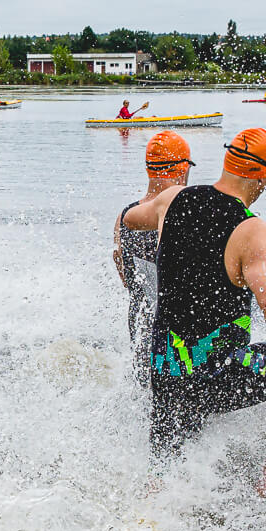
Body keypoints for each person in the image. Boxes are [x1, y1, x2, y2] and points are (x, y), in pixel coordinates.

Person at [121, 127, 266, 497]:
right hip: (212, 377)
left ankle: (153, 490)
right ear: (263, 176)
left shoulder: (173, 200)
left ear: (227, 161)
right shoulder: (254, 231)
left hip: (164, 370)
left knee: (160, 479)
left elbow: (130, 219)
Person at [114, 131, 194, 385]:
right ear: (182, 169)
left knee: (144, 390)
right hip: (175, 328)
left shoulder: (126, 215)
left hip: (139, 318)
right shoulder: (185, 212)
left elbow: (124, 272)